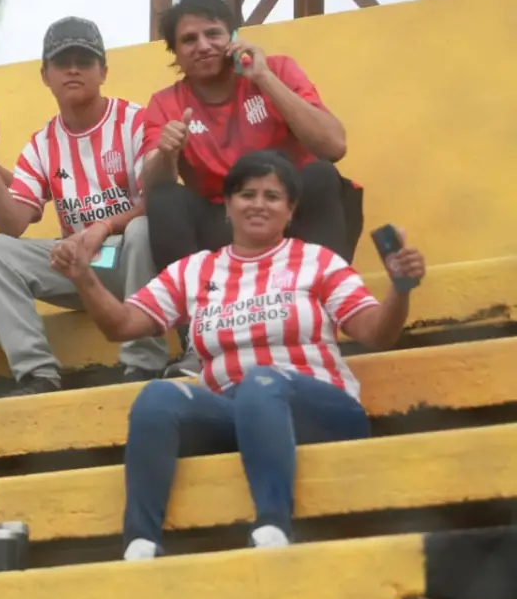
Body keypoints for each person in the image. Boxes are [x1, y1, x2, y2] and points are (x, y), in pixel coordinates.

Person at [47, 150, 424, 560]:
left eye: (272, 196)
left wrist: (399, 291)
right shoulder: (195, 270)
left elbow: (376, 333)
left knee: (262, 382)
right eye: (247, 194)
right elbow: (120, 326)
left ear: (290, 210)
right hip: (234, 411)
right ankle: (141, 542)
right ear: (227, 206)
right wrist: (84, 279)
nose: (259, 204)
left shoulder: (316, 261)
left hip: (320, 405)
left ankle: (273, 527)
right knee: (157, 397)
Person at [138, 0, 362, 377]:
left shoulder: (277, 69)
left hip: (292, 218)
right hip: (225, 230)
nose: (204, 46)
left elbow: (334, 146)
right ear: (175, 53)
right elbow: (152, 188)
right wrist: (165, 153)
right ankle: (197, 341)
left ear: (234, 36)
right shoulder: (165, 104)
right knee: (164, 200)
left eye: (214, 34)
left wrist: (263, 77)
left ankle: (319, 326)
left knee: (322, 176)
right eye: (189, 40)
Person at [0, 17, 168, 396]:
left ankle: (143, 366)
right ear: (45, 75)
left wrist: (104, 227)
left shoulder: (134, 121)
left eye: (84, 60)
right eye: (62, 62)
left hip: (129, 260)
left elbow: (159, 201)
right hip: (81, 265)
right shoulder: (42, 142)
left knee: (143, 229)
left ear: (103, 71)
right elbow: (11, 226)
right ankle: (37, 375)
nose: (73, 68)